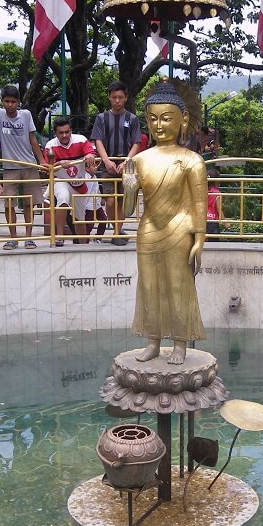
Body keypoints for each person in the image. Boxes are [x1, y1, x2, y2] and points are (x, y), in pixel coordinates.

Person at [123, 81, 207, 365]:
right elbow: (128, 209)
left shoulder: (191, 160)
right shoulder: (141, 159)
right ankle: (153, 341)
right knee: (149, 286)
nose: (159, 125)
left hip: (180, 228)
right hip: (148, 230)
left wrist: (199, 240)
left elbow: (198, 204)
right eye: (153, 119)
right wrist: (130, 187)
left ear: (182, 119)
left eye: (166, 118)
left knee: (177, 286)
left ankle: (180, 343)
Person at [0, 85, 44, 249]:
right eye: (7, 101)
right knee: (9, 203)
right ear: (2, 101)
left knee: (30, 203)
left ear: (18, 102)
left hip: (28, 164)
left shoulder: (26, 115)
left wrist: (41, 160)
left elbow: (33, 139)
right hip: (10, 167)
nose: (10, 105)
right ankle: (13, 238)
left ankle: (29, 237)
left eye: (13, 102)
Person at [90, 81, 141, 246]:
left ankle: (118, 231)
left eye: (120, 97)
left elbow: (136, 142)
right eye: (114, 97)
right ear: (109, 98)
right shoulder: (102, 118)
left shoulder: (132, 119)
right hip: (107, 165)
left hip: (127, 166)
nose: (117, 101)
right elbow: (97, 140)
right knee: (110, 200)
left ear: (126, 98)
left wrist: (127, 160)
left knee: (123, 201)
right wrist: (105, 159)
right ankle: (117, 230)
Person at [43, 117, 94, 245]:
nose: (65, 135)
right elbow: (48, 167)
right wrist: (59, 163)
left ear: (71, 130)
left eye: (67, 132)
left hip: (79, 183)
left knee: (80, 218)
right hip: (60, 179)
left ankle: (83, 244)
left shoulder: (81, 140)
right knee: (63, 198)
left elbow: (90, 152)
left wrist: (89, 156)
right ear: (55, 133)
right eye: (61, 133)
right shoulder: (50, 145)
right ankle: (59, 237)